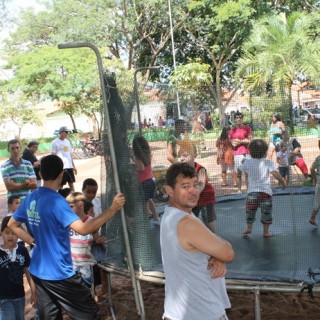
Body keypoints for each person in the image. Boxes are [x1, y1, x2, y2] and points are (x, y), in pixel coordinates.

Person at [8, 154, 125, 319]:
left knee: (51, 317)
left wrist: (33, 242)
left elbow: (11, 224)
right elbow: (84, 229)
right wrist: (112, 209)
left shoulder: (30, 198)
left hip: (39, 271)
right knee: (90, 314)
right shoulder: (57, 201)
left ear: (40, 174)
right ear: (62, 174)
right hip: (59, 273)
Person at [160, 162, 234, 320]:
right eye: (185, 186)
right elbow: (228, 252)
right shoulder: (187, 223)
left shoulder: (170, 214)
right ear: (169, 191)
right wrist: (219, 254)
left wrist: (215, 255)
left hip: (178, 312)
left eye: (196, 184)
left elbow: (203, 247)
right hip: (202, 312)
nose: (193, 191)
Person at [239, 139, 286, 237]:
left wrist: (241, 173)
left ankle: (249, 228)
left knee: (250, 210)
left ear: (250, 152)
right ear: (265, 152)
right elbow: (275, 173)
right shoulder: (268, 162)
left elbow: (239, 169)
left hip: (252, 192)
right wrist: (282, 181)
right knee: (266, 212)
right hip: (265, 192)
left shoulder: (247, 162)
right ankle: (266, 232)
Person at [67, 192, 107, 299]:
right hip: (72, 263)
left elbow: (96, 237)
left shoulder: (91, 221)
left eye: (70, 206)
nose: (67, 209)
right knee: (74, 290)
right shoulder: (68, 221)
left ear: (80, 205)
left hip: (86, 263)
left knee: (88, 289)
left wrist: (99, 240)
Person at [0, 216, 36, 320]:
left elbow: (28, 273)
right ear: (1, 232)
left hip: (20, 296)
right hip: (3, 298)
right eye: (7, 232)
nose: (10, 236)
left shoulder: (22, 250)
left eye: (14, 233)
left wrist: (34, 292)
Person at [178, 145, 216, 232]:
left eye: (185, 155)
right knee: (190, 217)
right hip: (192, 197)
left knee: (207, 218)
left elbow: (200, 185)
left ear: (194, 155)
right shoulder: (181, 170)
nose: (181, 158)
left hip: (205, 196)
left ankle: (212, 236)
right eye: (180, 155)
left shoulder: (200, 169)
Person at [132, 134, 159, 221]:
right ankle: (156, 217)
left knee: (145, 204)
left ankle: (146, 223)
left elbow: (141, 168)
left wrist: (133, 167)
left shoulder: (137, 156)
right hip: (151, 181)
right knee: (149, 201)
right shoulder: (147, 155)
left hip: (144, 183)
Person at [228, 112, 253, 193]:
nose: (238, 119)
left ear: (242, 118)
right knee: (238, 173)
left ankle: (249, 190)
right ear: (235, 119)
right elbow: (232, 143)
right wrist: (241, 141)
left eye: (240, 117)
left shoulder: (247, 128)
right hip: (237, 154)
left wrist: (240, 141)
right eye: (237, 117)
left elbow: (250, 140)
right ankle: (239, 190)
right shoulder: (232, 130)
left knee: (247, 173)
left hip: (247, 153)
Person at [51, 126, 77, 191]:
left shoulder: (67, 142)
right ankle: (59, 198)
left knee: (71, 183)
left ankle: (74, 196)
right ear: (61, 132)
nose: (67, 133)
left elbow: (70, 154)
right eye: (66, 132)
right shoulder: (54, 142)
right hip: (61, 167)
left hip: (69, 166)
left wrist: (74, 166)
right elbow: (53, 155)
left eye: (68, 132)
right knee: (60, 184)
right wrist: (56, 167)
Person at [308, 154, 320, 226]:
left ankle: (312, 218)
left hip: (319, 182)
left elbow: (312, 168)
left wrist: (315, 179)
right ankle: (312, 218)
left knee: (317, 201)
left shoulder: (318, 158)